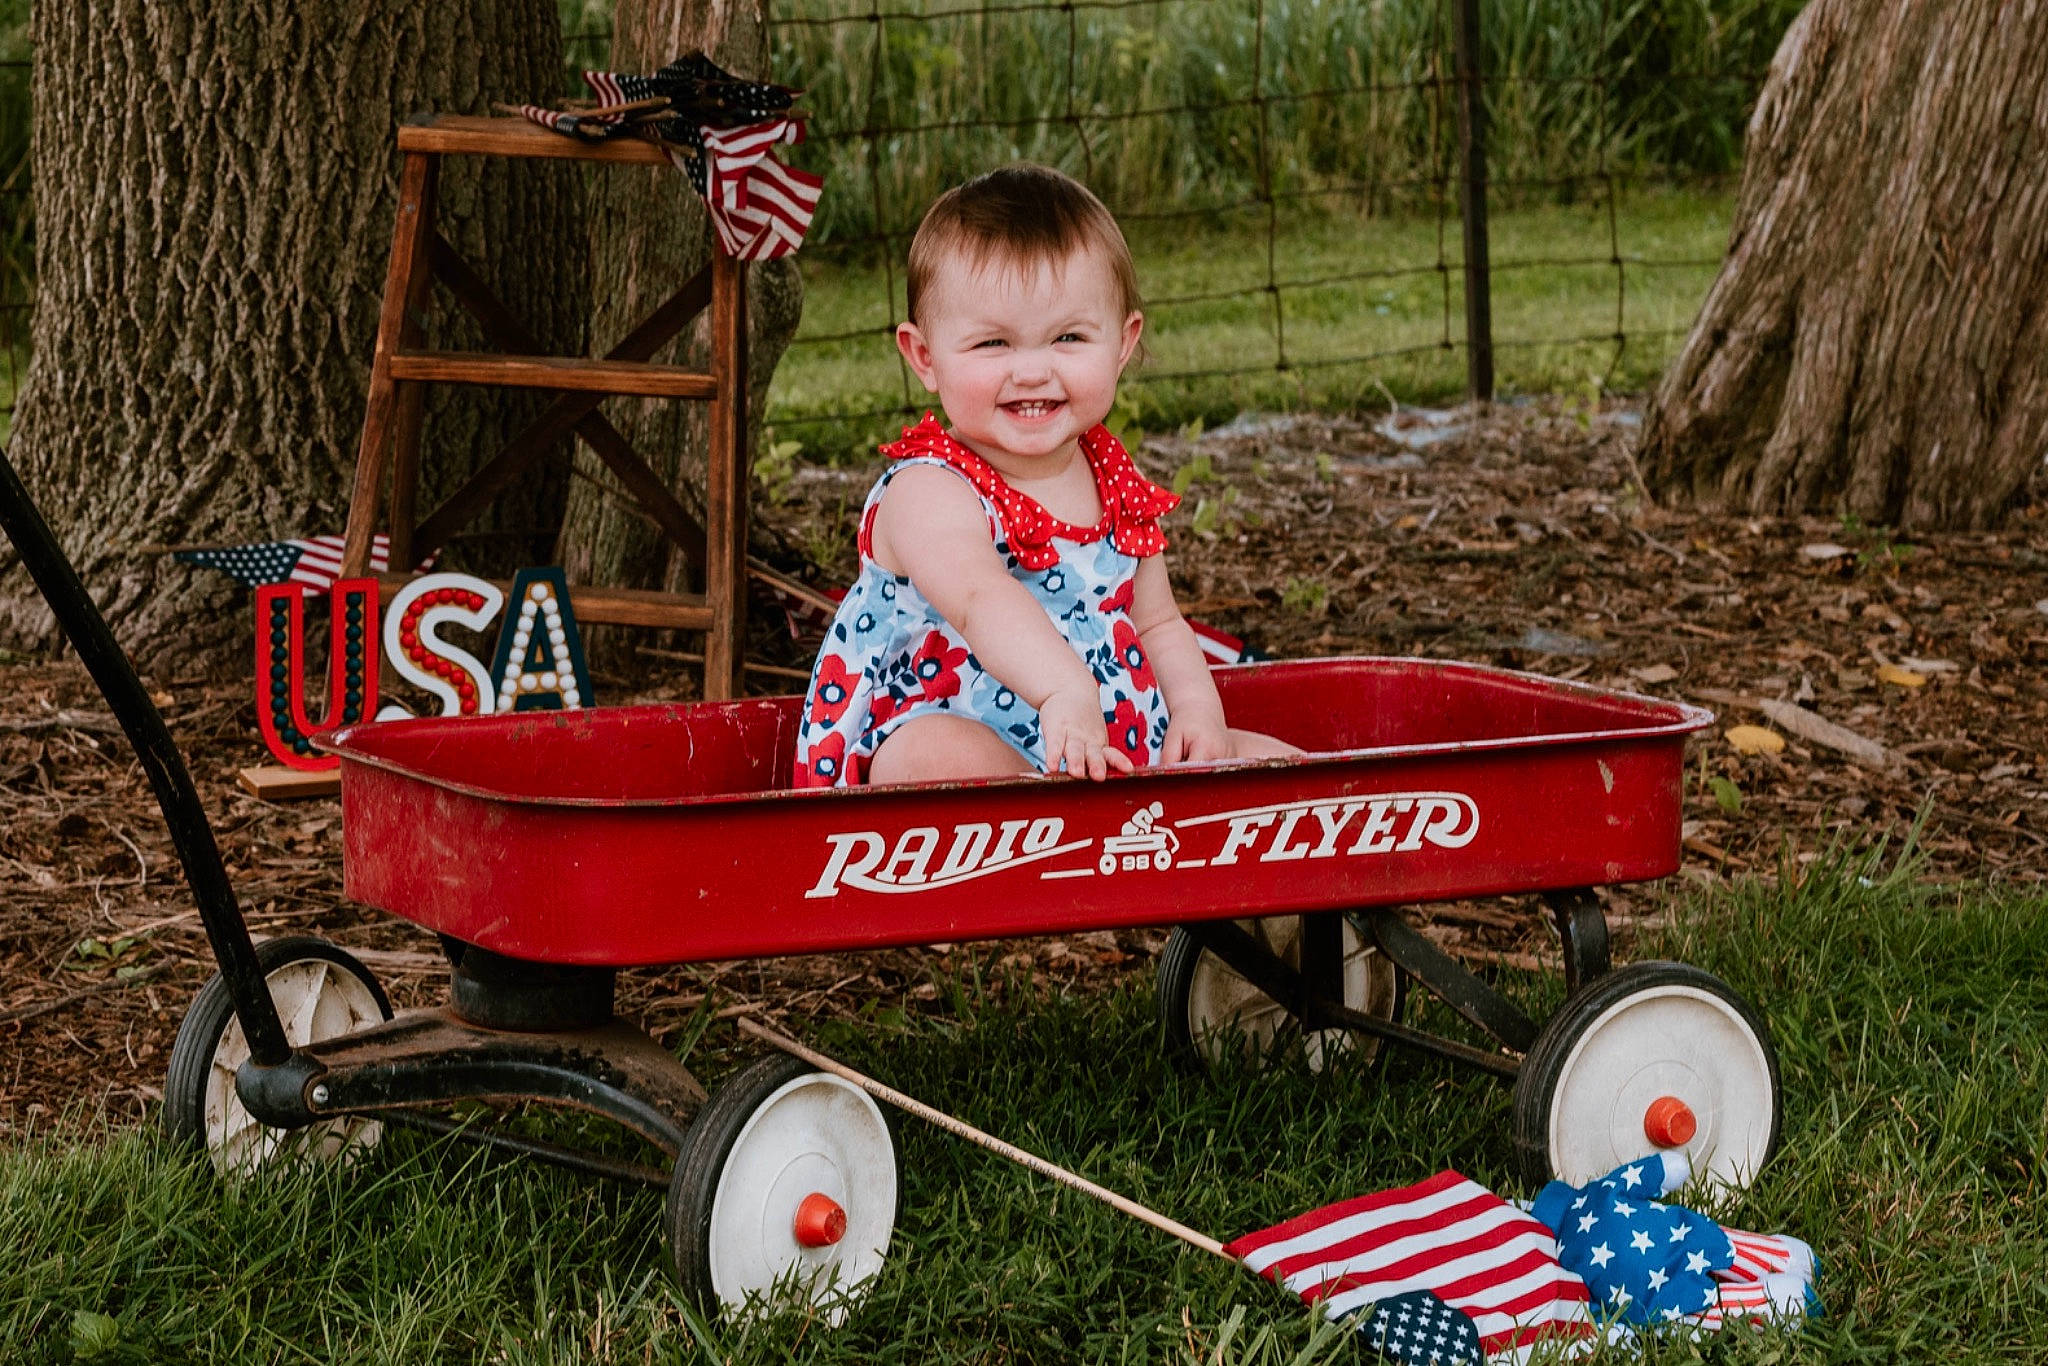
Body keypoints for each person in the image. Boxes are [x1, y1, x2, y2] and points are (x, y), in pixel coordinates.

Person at [793, 164, 1294, 788]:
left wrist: (1197, 712)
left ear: (1123, 343)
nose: (1032, 371)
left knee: (1277, 762)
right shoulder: (927, 490)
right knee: (924, 759)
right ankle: (1045, 831)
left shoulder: (1115, 480)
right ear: (925, 357)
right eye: (993, 345)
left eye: (1068, 337)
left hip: (1112, 749)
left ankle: (1316, 829)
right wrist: (1062, 691)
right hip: (973, 738)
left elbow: (1158, 623)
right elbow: (979, 599)